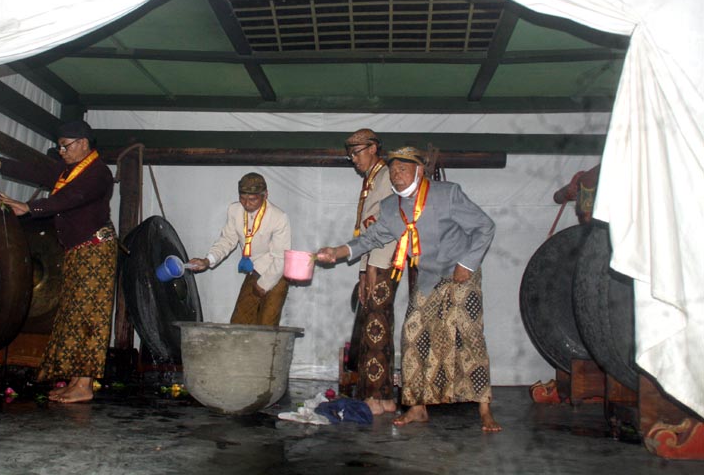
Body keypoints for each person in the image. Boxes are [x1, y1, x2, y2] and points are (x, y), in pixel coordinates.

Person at [316, 146, 500, 432]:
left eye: (403, 169)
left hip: (460, 272)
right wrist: (338, 252)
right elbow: (373, 238)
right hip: (428, 277)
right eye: (392, 171)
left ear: (419, 170)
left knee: (469, 336)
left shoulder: (447, 194)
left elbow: (484, 226)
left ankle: (485, 408)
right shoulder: (391, 207)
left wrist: (468, 263)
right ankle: (416, 407)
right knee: (412, 333)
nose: (397, 176)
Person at [0, 120, 116, 404]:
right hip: (79, 251)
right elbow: (37, 170)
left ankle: (85, 384)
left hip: (96, 251)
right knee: (75, 315)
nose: (61, 151)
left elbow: (71, 198)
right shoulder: (70, 171)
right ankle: (76, 380)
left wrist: (30, 207)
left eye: (66, 146)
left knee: (90, 316)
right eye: (59, 146)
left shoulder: (98, 174)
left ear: (83, 144)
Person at [344, 129, 399, 416]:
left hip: (386, 260)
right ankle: (384, 397)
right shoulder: (374, 179)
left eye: (357, 152)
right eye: (350, 154)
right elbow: (368, 228)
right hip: (374, 262)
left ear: (374, 148)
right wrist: (363, 272)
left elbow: (387, 228)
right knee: (374, 328)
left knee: (375, 331)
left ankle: (375, 399)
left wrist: (375, 267)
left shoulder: (389, 176)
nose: (354, 159)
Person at [190, 173, 291, 326]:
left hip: (276, 274)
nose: (247, 204)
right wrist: (207, 260)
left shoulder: (278, 217)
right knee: (239, 323)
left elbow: (281, 258)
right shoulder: (234, 210)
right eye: (242, 198)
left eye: (253, 199)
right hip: (254, 271)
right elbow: (227, 240)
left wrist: (263, 284)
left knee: (267, 326)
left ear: (265, 195)